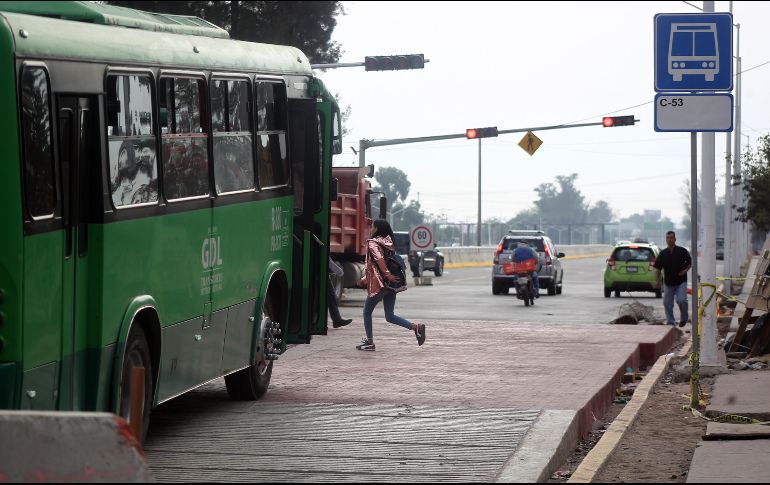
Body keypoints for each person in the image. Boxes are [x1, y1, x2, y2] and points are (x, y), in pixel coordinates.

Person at [356, 219, 425, 351]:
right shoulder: (388, 243)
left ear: (376, 229)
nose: (370, 229)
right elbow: (377, 265)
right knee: (390, 316)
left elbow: (379, 260)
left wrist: (386, 274)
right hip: (391, 284)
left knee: (367, 312)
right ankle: (416, 328)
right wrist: (366, 278)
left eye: (372, 227)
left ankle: (370, 342)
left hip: (381, 283)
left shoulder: (373, 243)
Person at [654, 231, 692, 327]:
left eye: (671, 237)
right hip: (668, 283)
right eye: (667, 238)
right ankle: (671, 322)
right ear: (666, 239)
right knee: (667, 303)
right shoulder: (663, 253)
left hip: (681, 282)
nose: (669, 239)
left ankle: (684, 318)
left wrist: (685, 270)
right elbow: (658, 269)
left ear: (675, 239)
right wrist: (657, 281)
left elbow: (689, 262)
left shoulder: (682, 251)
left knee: (681, 300)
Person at [327, 257, 352, 328]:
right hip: (321, 274)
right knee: (331, 297)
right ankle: (337, 320)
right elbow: (328, 260)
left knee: (329, 297)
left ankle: (336, 320)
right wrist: (339, 272)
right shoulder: (321, 245)